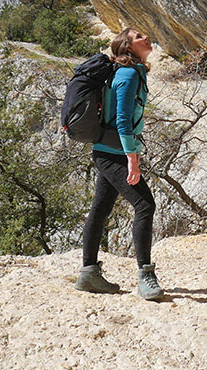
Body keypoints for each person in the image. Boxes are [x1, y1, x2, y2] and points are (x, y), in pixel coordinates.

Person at [74, 27, 164, 300]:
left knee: (100, 209)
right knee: (145, 204)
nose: (146, 38)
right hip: (114, 154)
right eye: (139, 37)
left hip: (108, 151)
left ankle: (88, 273)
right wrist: (132, 161)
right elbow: (123, 121)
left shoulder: (132, 72)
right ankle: (145, 275)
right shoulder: (126, 74)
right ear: (127, 47)